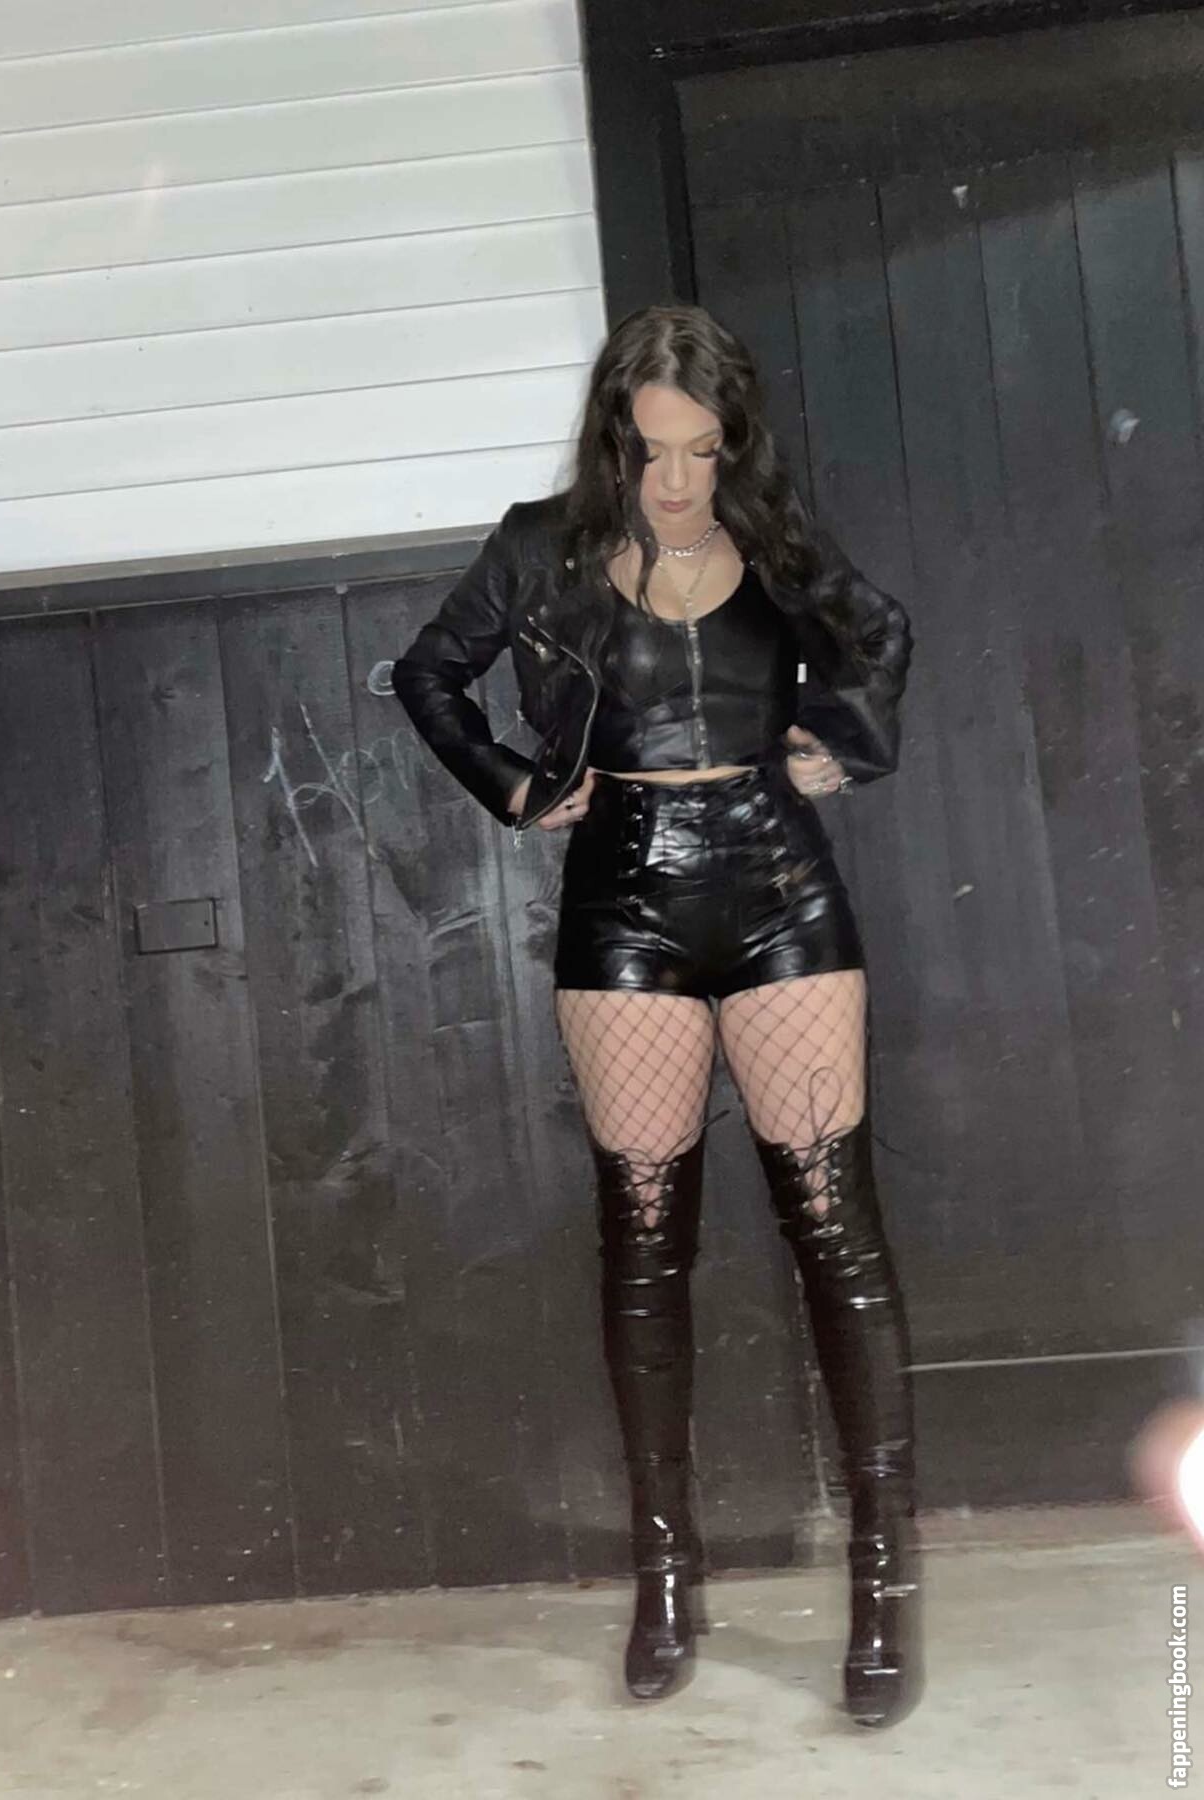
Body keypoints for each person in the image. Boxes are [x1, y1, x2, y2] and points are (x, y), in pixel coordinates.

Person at [391, 303, 919, 1726]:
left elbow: (880, 634)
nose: (677, 481)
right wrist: (513, 785)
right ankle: (666, 1577)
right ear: (612, 441)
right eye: (651, 451)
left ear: (734, 442)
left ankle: (882, 1585)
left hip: (778, 885)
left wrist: (843, 743)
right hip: (622, 894)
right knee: (643, 1240)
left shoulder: (780, 539)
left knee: (836, 1231)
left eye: (702, 450)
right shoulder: (542, 547)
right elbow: (428, 674)